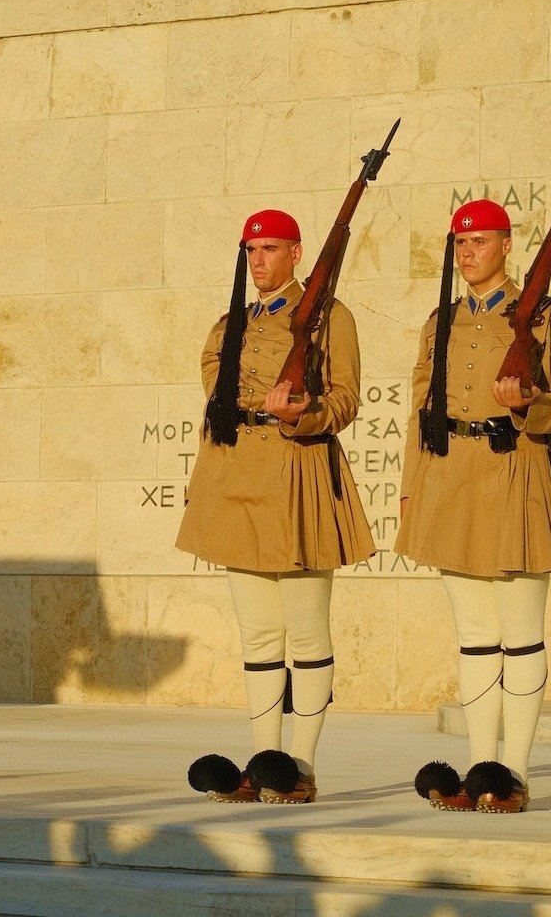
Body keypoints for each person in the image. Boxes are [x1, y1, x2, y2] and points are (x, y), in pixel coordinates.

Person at [395, 199, 551, 813]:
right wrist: (413, 489)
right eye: (461, 243)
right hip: (452, 478)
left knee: (522, 635)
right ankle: (482, 767)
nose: (468, 253)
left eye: (480, 241)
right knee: (475, 637)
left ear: (507, 245)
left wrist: (530, 403)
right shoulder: (440, 321)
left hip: (516, 473)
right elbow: (421, 411)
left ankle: (515, 773)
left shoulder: (544, 316)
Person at [176, 208, 375, 805]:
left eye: (270, 250)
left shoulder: (328, 317)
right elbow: (218, 395)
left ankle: (301, 766)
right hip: (237, 478)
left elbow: (344, 400)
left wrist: (302, 413)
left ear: (297, 253)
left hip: (296, 474)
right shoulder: (226, 324)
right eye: (252, 251)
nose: (259, 261)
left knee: (308, 631)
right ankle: (265, 761)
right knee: (259, 637)